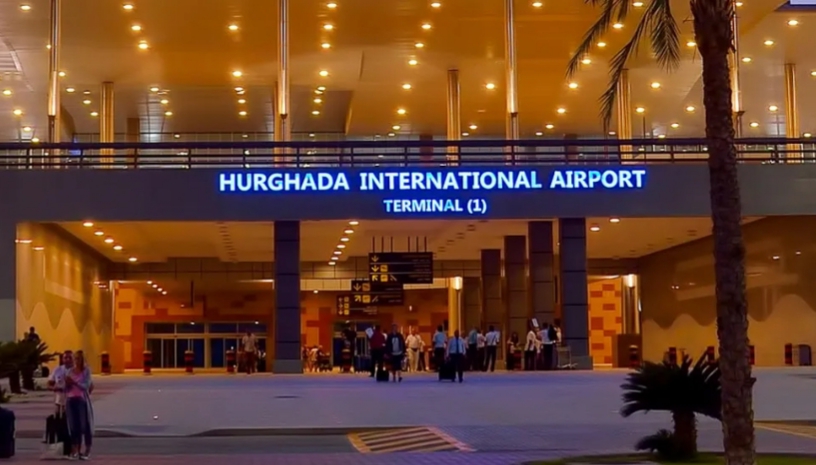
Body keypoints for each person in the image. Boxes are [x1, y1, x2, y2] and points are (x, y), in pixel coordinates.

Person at [64, 350, 93, 460]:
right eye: (75, 358)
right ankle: (75, 450)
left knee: (84, 425)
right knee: (73, 426)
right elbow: (65, 388)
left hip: (81, 400)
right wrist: (67, 384)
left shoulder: (86, 371)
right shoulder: (70, 371)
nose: (76, 361)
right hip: (70, 399)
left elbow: (86, 386)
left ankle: (86, 449)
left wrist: (74, 382)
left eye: (79, 359)